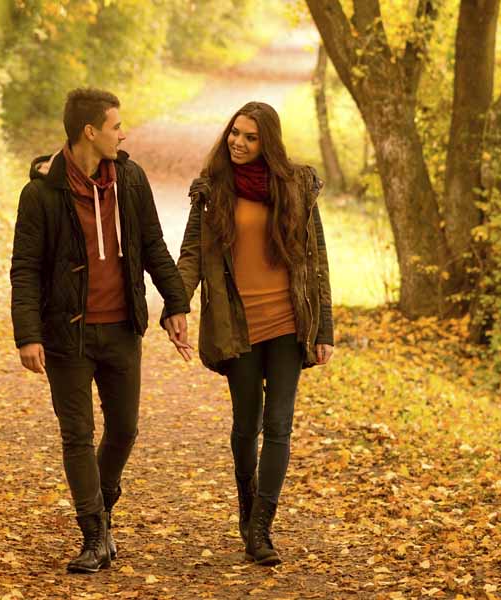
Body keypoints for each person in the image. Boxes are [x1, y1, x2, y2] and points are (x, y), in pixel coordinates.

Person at [11, 88, 190, 574]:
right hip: (67, 334)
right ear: (90, 131)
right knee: (77, 435)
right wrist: (27, 334)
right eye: (116, 126)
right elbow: (25, 268)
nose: (123, 133)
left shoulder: (130, 180)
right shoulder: (41, 194)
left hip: (122, 329)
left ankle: (102, 508)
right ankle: (93, 535)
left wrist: (176, 303)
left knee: (125, 429)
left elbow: (153, 244)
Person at [164, 101, 334, 566]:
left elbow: (316, 261)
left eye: (250, 137)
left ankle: (260, 528)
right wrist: (175, 305)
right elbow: (192, 256)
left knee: (279, 424)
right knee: (247, 426)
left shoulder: (298, 186)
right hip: (237, 326)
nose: (238, 142)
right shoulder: (212, 189)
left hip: (287, 321)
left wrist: (326, 328)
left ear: (268, 143)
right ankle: (247, 503)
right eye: (234, 133)